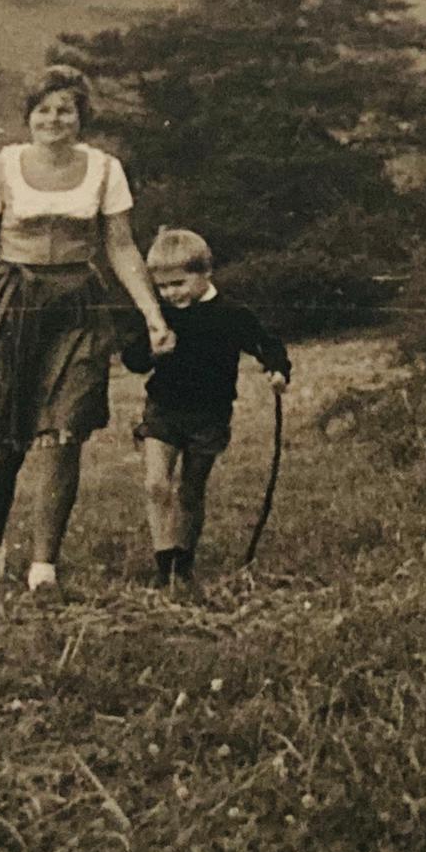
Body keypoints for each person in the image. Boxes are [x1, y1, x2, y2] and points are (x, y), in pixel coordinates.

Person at [0, 65, 173, 600]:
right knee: (5, 442)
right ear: (29, 116)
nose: (54, 119)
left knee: (66, 434)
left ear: (82, 117)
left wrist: (152, 313)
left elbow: (121, 247)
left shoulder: (106, 170)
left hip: (78, 306)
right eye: (44, 109)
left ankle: (44, 567)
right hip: (10, 305)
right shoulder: (1, 167)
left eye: (66, 109)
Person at [121, 228, 291, 591]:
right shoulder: (161, 314)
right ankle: (163, 564)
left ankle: (184, 560)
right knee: (155, 484)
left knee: (191, 491)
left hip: (209, 416)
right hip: (164, 409)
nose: (171, 294)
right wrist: (153, 350)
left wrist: (277, 369)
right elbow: (132, 358)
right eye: (163, 287)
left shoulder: (230, 314)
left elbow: (265, 342)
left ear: (205, 273)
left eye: (179, 284)